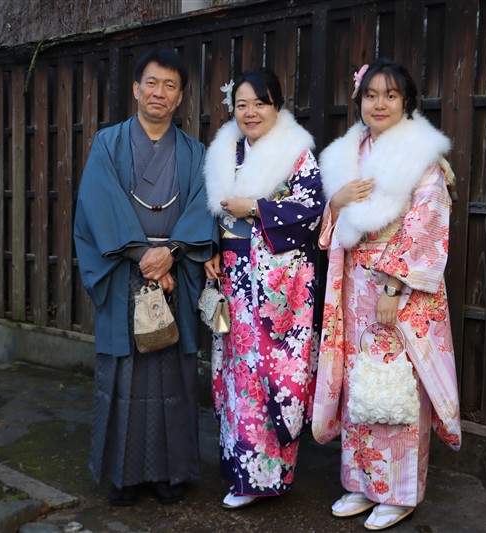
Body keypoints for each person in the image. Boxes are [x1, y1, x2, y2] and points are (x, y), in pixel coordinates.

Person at [311, 58, 461, 530]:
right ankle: (360, 482)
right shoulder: (348, 154)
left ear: (407, 102)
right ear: (359, 101)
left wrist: (395, 285)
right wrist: (336, 202)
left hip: (401, 290)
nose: (380, 104)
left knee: (397, 384)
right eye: (371, 95)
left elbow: (428, 223)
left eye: (391, 95)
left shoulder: (422, 159)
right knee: (362, 384)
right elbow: (332, 230)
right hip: (355, 286)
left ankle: (399, 492)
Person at [73, 48, 215, 507]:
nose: (159, 92)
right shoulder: (108, 144)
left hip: (175, 270)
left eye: (170, 86)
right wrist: (143, 256)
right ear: (136, 89)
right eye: (151, 83)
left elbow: (203, 210)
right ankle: (123, 475)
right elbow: (98, 206)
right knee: (122, 374)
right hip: (123, 270)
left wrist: (170, 254)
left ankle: (171, 474)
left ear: (180, 98)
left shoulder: (196, 154)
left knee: (174, 376)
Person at [203, 67, 324, 509]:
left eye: (260, 103)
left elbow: (311, 209)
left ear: (278, 106)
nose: (250, 112)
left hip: (278, 285)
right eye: (242, 104)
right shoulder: (225, 151)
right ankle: (240, 473)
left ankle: (264, 478)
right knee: (238, 372)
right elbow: (212, 213)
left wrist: (255, 208)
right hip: (235, 278)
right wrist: (211, 250)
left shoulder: (296, 152)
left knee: (269, 374)